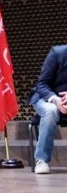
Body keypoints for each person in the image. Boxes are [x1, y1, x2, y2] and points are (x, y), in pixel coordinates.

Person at [28, 45, 67, 175]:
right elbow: (42, 84)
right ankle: (42, 160)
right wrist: (56, 100)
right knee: (51, 111)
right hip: (46, 97)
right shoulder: (58, 53)